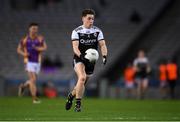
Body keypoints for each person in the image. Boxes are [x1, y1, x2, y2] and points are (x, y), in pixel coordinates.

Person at [65, 9, 108, 112]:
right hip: (79, 58)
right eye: (89, 18)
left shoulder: (97, 31)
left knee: (82, 83)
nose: (91, 20)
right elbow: (75, 47)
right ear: (83, 18)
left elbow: (102, 45)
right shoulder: (76, 31)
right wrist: (81, 56)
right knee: (82, 77)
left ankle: (71, 95)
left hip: (91, 61)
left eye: (93, 18)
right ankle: (78, 104)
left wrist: (105, 55)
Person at [17, 23, 47, 103]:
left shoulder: (40, 39)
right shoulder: (25, 39)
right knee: (33, 80)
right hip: (28, 61)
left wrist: (38, 48)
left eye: (36, 29)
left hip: (37, 62)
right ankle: (34, 99)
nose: (35, 30)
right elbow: (19, 49)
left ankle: (23, 86)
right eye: (33, 28)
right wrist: (24, 54)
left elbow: (45, 47)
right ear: (29, 29)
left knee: (32, 80)